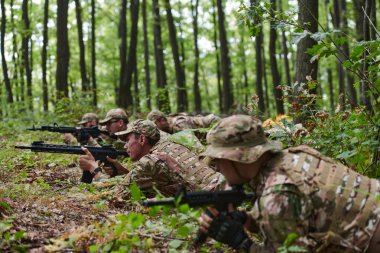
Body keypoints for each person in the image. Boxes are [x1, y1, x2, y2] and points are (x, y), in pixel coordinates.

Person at [197, 115, 380, 253]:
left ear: (235, 158)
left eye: (217, 160)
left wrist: (242, 242)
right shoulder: (295, 157)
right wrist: (247, 221)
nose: (217, 167)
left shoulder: (276, 194)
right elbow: (297, 215)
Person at [79, 119, 223, 196]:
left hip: (211, 199)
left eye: (128, 140)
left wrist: (94, 168)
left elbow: (111, 193)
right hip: (222, 186)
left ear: (142, 140)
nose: (125, 146)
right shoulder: (172, 146)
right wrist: (124, 171)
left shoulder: (150, 162)